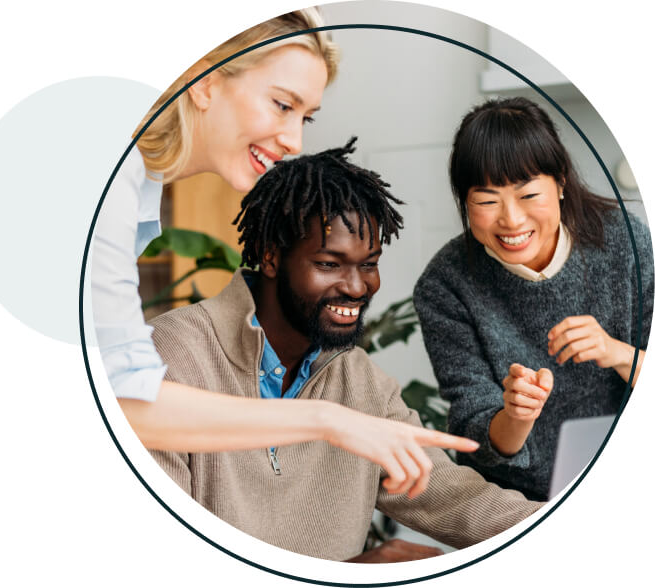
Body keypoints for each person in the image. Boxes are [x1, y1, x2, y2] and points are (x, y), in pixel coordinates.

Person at [91, 9, 475, 495]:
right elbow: (124, 402)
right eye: (280, 104)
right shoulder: (105, 183)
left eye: (305, 116)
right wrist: (328, 420)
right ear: (203, 80)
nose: (295, 140)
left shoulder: (133, 190)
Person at [147, 139, 543, 562]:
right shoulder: (170, 356)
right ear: (270, 257)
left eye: (369, 264)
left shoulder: (361, 381)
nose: (357, 287)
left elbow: (455, 498)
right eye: (329, 264)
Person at [414, 97, 653, 501]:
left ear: (560, 183)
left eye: (527, 195)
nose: (511, 220)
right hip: (519, 506)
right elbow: (477, 434)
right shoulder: (446, 284)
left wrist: (617, 353)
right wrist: (515, 415)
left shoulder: (625, 240)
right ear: (464, 202)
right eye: (487, 201)